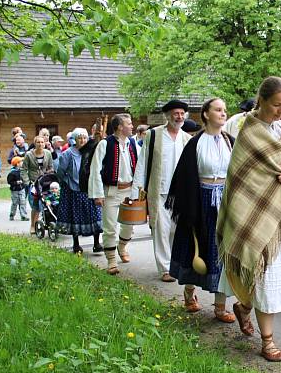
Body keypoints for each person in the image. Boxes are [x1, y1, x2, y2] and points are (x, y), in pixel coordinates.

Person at [217, 76, 281, 362]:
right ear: (261, 100)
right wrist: (276, 175)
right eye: (276, 105)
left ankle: (245, 308)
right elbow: (241, 176)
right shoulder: (248, 130)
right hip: (252, 214)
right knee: (260, 273)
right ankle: (267, 341)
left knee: (273, 277)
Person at [166, 98, 235, 322]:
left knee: (222, 252)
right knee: (197, 248)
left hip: (225, 202)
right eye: (218, 110)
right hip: (200, 200)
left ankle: (220, 306)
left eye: (224, 110)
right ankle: (189, 293)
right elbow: (184, 179)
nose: (223, 114)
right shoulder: (195, 144)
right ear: (206, 114)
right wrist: (189, 210)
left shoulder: (231, 142)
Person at [133, 100, 192, 282]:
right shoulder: (154, 135)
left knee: (177, 230)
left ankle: (174, 264)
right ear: (167, 116)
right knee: (161, 229)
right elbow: (143, 160)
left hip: (180, 193)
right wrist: (138, 188)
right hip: (158, 191)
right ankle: (165, 268)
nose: (179, 117)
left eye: (182, 114)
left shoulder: (187, 139)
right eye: (176, 113)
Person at [89, 113, 138, 275]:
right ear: (119, 127)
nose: (132, 126)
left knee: (129, 227)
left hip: (130, 191)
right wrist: (98, 194)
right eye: (129, 124)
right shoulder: (105, 144)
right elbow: (95, 169)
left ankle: (122, 247)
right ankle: (111, 260)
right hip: (111, 191)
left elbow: (140, 167)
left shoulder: (133, 143)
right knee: (110, 227)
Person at [56, 128, 103, 254]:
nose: (82, 140)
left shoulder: (91, 151)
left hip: (90, 188)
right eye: (79, 138)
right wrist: (67, 181)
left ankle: (96, 243)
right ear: (74, 139)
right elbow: (60, 171)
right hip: (73, 189)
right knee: (75, 216)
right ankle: (76, 244)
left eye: (84, 138)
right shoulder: (68, 154)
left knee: (94, 214)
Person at [21, 136, 55, 235]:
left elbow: (51, 166)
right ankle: (33, 225)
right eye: (38, 142)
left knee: (49, 201)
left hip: (45, 181)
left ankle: (50, 220)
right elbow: (23, 169)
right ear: (35, 144)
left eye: (42, 142)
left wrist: (49, 174)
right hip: (34, 182)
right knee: (35, 204)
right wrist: (27, 181)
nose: (40, 144)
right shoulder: (29, 155)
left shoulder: (48, 153)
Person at [7, 156, 28, 221]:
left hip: (22, 189)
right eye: (21, 162)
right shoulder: (12, 173)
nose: (22, 163)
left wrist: (25, 182)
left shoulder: (22, 171)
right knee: (15, 203)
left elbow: (25, 178)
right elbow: (9, 181)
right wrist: (16, 182)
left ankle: (23, 216)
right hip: (15, 190)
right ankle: (12, 214)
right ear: (17, 163)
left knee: (23, 202)